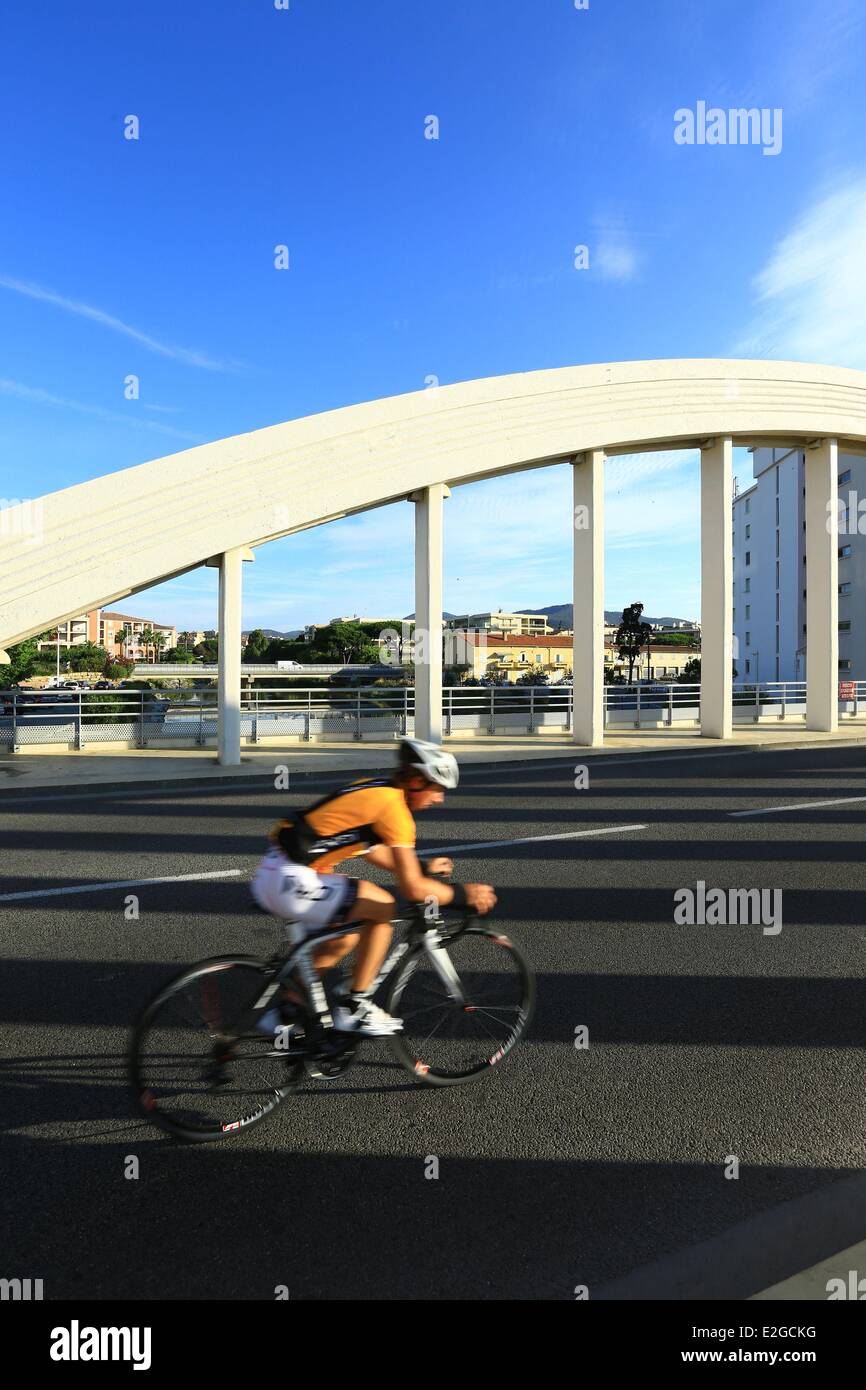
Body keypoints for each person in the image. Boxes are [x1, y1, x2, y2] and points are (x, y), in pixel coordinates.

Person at [250, 737, 496, 1035]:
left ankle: (287, 1012)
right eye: (438, 789)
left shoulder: (379, 789)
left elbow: (369, 848)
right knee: (382, 907)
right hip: (292, 881)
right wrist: (462, 895)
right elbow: (413, 889)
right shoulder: (395, 811)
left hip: (276, 873)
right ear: (417, 781)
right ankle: (355, 1007)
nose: (440, 799)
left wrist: (422, 867)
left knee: (345, 937)